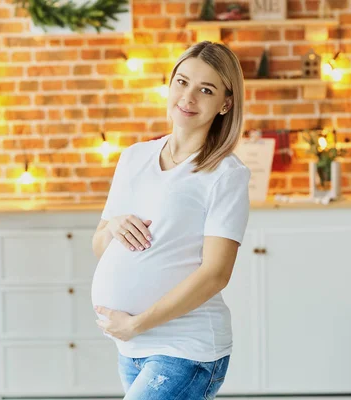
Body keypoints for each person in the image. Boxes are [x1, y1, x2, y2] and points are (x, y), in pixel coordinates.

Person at [90, 41, 251, 399]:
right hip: (131, 347)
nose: (187, 97)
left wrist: (136, 323)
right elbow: (99, 243)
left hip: (187, 349)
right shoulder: (134, 157)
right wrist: (114, 225)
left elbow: (216, 273)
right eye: (182, 81)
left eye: (205, 89)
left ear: (226, 103)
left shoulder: (226, 174)